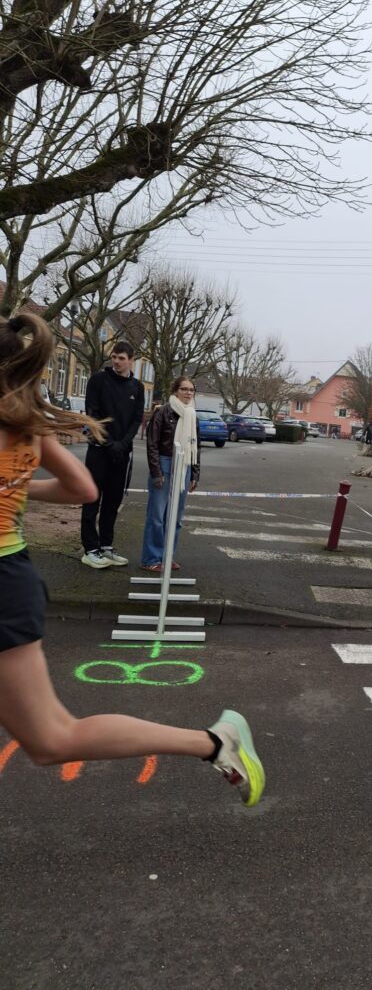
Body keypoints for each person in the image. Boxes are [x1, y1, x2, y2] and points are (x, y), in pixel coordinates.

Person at [0, 314, 264, 806]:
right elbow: (82, 488)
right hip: (12, 573)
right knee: (51, 737)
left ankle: (212, 743)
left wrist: (12, 489)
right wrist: (14, 489)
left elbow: (85, 489)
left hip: (5, 584)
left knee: (53, 738)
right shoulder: (26, 426)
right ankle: (211, 743)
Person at [80, 341, 145, 568]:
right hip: (99, 450)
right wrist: (108, 443)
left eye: (121, 358)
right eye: (114, 357)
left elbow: (137, 419)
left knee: (112, 501)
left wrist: (123, 444)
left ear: (131, 359)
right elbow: (92, 414)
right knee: (92, 498)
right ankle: (90, 549)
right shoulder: (99, 380)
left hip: (121, 453)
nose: (116, 361)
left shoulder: (137, 388)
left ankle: (106, 546)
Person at [140, 377, 200, 572]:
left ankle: (168, 556)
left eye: (191, 390)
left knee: (176, 517)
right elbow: (152, 444)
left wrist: (195, 474)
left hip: (185, 465)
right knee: (157, 515)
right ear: (175, 391)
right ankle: (151, 559)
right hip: (165, 463)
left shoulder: (192, 415)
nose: (188, 393)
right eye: (184, 389)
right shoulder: (163, 412)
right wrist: (157, 472)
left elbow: (196, 448)